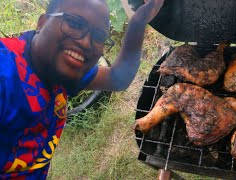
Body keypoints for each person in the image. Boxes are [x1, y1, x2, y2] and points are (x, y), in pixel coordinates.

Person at [0, 0, 164, 178]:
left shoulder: (59, 69)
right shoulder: (6, 75)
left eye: (98, 37)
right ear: (42, 22)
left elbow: (118, 78)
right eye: (74, 23)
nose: (86, 43)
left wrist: (138, 22)